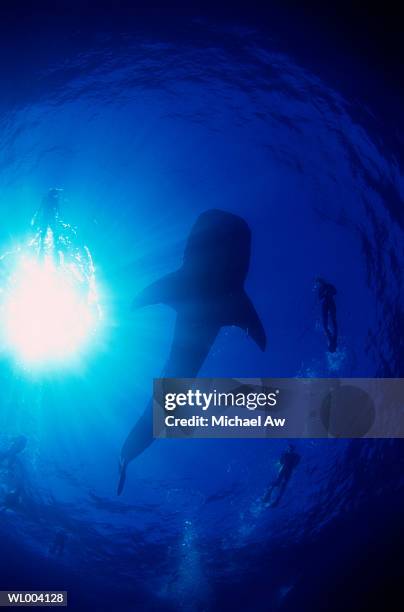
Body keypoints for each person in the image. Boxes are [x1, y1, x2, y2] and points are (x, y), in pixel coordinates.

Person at [315, 277, 338, 353]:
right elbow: (319, 297)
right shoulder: (322, 289)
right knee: (327, 323)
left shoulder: (328, 286)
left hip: (329, 302)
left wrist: (327, 292)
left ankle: (333, 341)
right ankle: (332, 340)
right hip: (327, 303)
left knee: (332, 321)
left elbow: (335, 291)